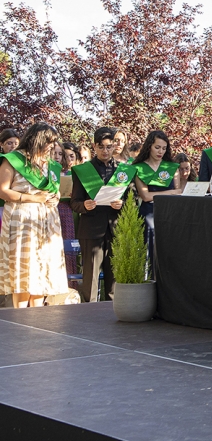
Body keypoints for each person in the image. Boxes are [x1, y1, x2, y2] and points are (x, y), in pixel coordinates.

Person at [0, 123, 69, 307]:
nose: (52, 147)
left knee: (42, 270)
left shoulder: (51, 165)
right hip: (22, 219)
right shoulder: (13, 160)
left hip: (47, 222)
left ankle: (37, 318)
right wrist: (32, 198)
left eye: (54, 142)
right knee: (25, 271)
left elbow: (54, 190)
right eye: (48, 142)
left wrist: (56, 196)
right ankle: (19, 316)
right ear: (36, 139)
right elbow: (2, 190)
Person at [70, 127, 137, 301]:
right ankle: (89, 314)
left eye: (108, 147)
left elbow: (133, 199)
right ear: (94, 146)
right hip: (91, 229)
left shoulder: (124, 170)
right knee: (90, 277)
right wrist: (84, 205)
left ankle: (112, 312)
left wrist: (123, 204)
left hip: (115, 228)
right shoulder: (83, 170)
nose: (105, 151)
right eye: (101, 147)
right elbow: (74, 202)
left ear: (115, 146)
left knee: (114, 277)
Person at [132, 131, 182, 272]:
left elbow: (179, 192)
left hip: (170, 213)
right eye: (157, 147)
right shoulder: (139, 168)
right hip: (149, 213)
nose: (161, 151)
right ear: (149, 146)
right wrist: (170, 192)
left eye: (164, 148)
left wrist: (169, 193)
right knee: (149, 250)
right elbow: (146, 196)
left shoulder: (172, 168)